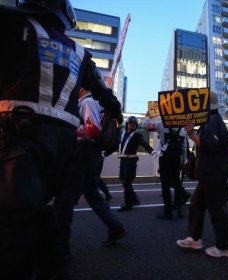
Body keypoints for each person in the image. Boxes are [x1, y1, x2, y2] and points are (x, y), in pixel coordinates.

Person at [0, 0, 123, 278]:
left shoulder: (14, 26)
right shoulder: (81, 53)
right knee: (53, 221)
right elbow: (111, 103)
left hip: (19, 137)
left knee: (13, 224)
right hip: (66, 148)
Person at [177, 92, 228, 258]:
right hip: (209, 173)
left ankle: (225, 247)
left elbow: (209, 144)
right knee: (196, 204)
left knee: (217, 209)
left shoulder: (212, 119)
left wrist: (191, 134)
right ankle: (194, 238)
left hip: (214, 173)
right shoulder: (209, 120)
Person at [75, 88, 127, 246]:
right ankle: (115, 227)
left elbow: (93, 129)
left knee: (74, 191)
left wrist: (71, 131)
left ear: (82, 88)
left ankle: (54, 234)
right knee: (90, 193)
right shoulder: (94, 103)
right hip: (91, 153)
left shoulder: (88, 102)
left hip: (86, 152)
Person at [142, 113, 191, 220]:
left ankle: (168, 212)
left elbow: (145, 126)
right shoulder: (182, 129)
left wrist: (148, 117)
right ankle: (178, 207)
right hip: (176, 159)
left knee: (165, 186)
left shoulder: (161, 124)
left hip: (165, 158)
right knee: (177, 184)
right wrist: (183, 161)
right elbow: (184, 146)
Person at [118, 116, 157, 212]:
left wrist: (152, 151)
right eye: (131, 123)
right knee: (123, 180)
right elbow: (115, 144)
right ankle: (135, 199)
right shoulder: (123, 134)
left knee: (127, 181)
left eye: (134, 124)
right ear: (127, 124)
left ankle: (128, 204)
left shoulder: (137, 135)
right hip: (123, 160)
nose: (132, 125)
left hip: (131, 161)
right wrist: (105, 153)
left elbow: (145, 144)